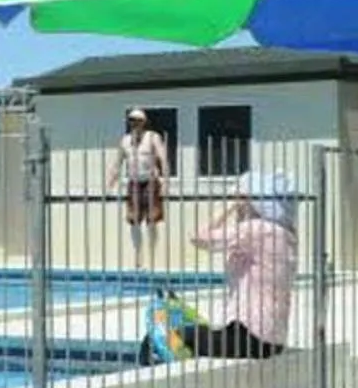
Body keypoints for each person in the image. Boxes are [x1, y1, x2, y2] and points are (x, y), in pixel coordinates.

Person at [143, 172, 297, 362]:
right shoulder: (287, 237)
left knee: (167, 336)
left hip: (248, 336)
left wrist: (230, 206)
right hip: (273, 342)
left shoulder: (256, 230)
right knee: (203, 333)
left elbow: (198, 237)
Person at [108, 107, 170, 265]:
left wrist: (166, 182)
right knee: (134, 219)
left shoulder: (153, 137)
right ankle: (138, 256)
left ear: (144, 123)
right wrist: (110, 182)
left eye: (138, 121)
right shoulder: (125, 140)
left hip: (150, 181)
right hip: (134, 182)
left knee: (152, 220)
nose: (135, 124)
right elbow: (117, 163)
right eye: (132, 121)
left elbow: (163, 159)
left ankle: (152, 257)